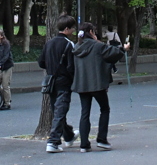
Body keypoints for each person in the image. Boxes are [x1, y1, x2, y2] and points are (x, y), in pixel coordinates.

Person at [72, 22, 129, 152]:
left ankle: (84, 144)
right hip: (97, 84)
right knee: (104, 109)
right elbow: (113, 53)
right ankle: (102, 139)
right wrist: (124, 49)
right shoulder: (97, 46)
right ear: (91, 32)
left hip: (82, 84)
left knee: (84, 112)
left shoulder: (77, 47)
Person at [39, 14, 78, 153]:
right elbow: (71, 67)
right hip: (64, 82)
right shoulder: (69, 44)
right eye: (72, 28)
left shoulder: (49, 43)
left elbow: (41, 62)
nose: (74, 30)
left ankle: (68, 136)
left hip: (51, 81)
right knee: (60, 111)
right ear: (67, 29)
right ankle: (53, 141)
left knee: (58, 110)